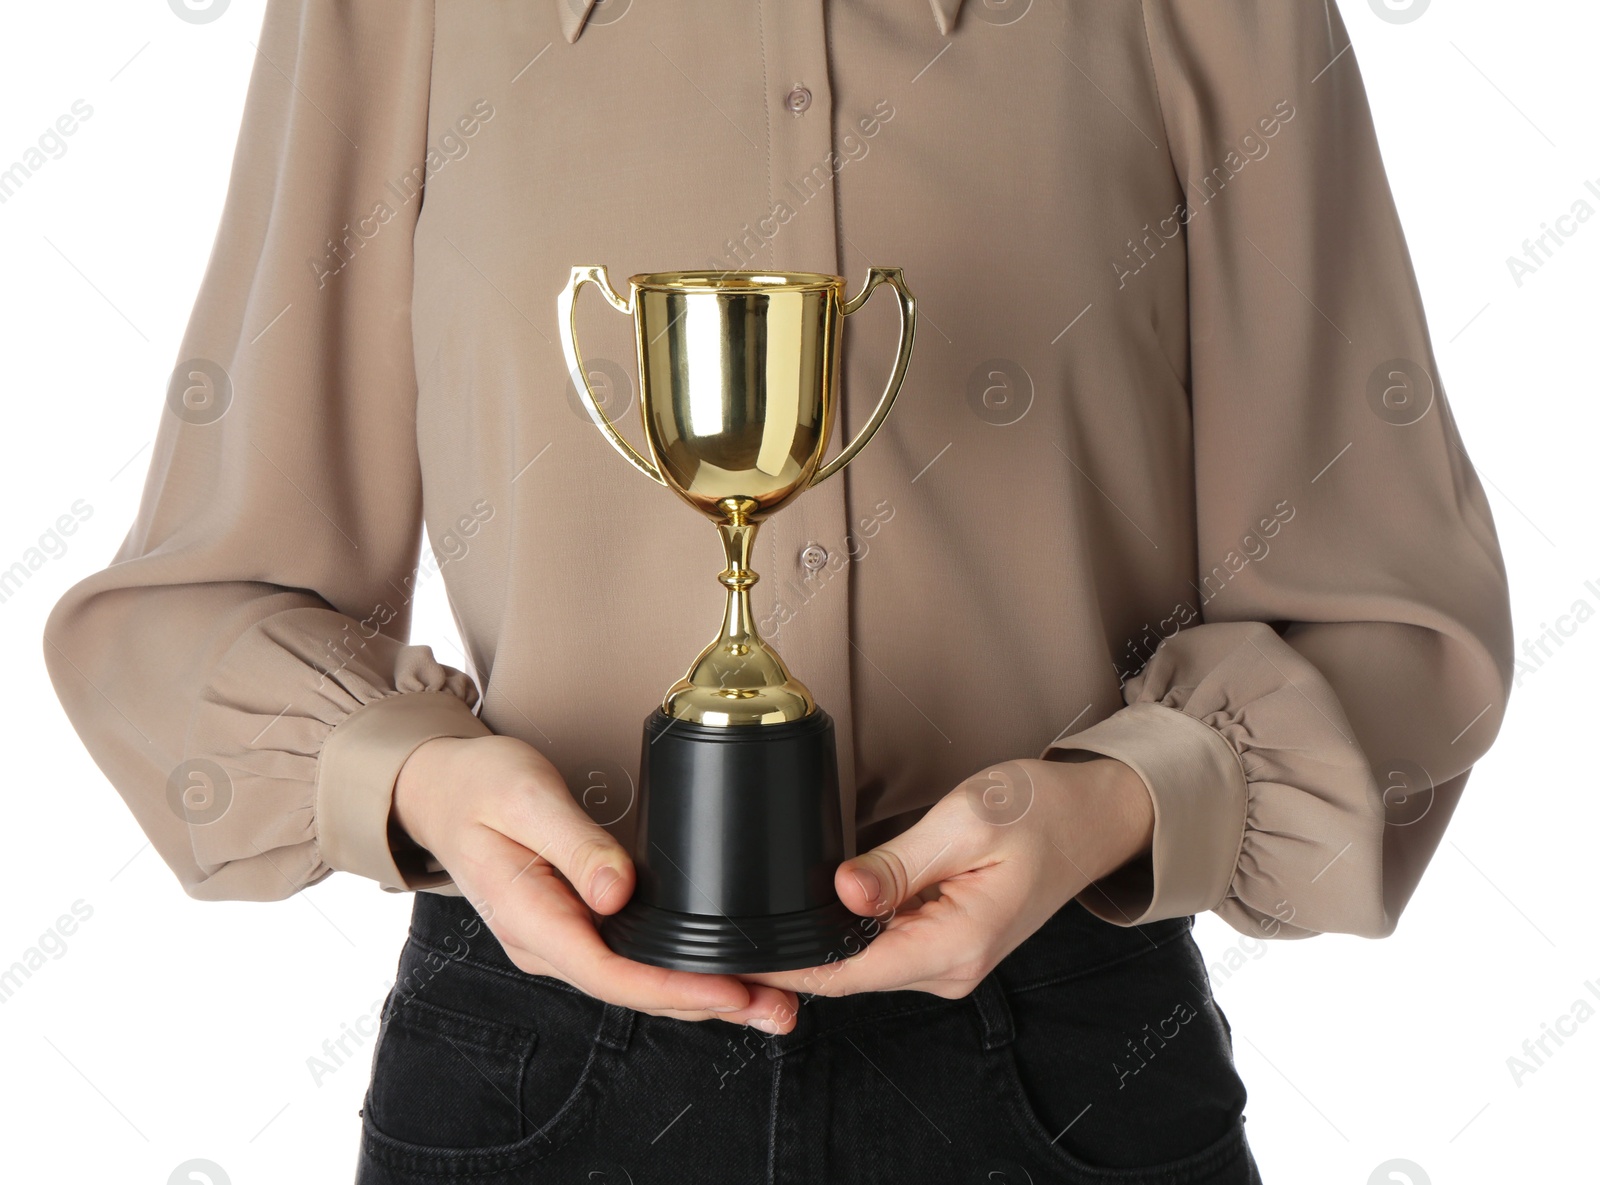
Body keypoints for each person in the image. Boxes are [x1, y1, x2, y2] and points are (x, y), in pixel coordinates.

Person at [43, 1, 1513, 1181]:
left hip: (1068, 1057)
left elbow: (1384, 612)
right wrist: (418, 782)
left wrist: (1122, 803)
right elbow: (206, 594)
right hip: (539, 1055)